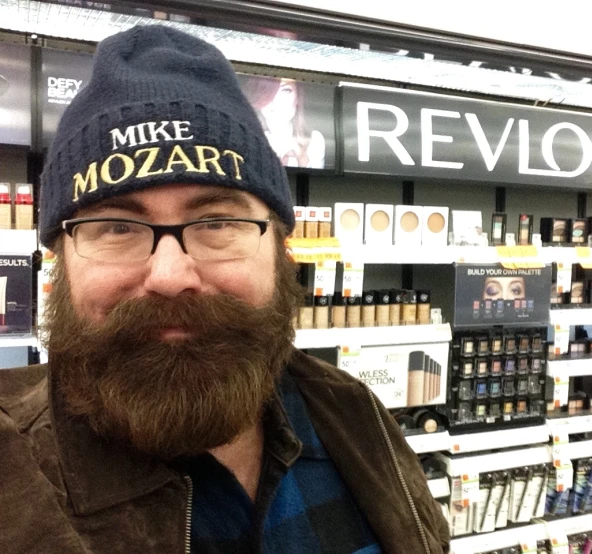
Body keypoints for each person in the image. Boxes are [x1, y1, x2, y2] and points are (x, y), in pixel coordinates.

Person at [0, 26, 448, 554]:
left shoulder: (353, 415)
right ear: (59, 261)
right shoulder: (14, 479)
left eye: (216, 222)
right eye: (117, 227)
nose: (170, 277)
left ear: (283, 250)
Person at [243, 76, 326, 169]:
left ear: (298, 97)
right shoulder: (245, 137)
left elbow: (317, 182)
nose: (276, 101)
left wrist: (302, 158)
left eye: (286, 90)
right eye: (266, 90)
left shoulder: (314, 139)